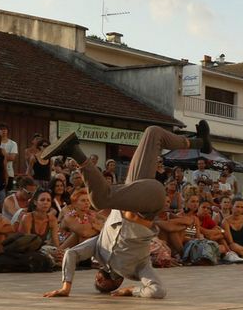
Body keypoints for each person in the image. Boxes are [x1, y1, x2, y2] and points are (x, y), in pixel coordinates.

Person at [42, 120, 213, 298]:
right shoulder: (137, 269)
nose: (99, 282)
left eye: (97, 282)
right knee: (101, 199)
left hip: (134, 189)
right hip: (149, 202)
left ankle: (201, 143)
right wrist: (132, 290)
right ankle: (73, 150)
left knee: (153, 133)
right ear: (117, 283)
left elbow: (71, 254)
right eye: (104, 286)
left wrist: (66, 287)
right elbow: (157, 290)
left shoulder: (99, 250)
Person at [0, 123, 19, 192]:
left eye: (5, 129)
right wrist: (6, 155)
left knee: (7, 192)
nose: (4, 131)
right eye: (1, 129)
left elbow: (12, 158)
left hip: (9, 172)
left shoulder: (13, 143)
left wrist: (2, 154)